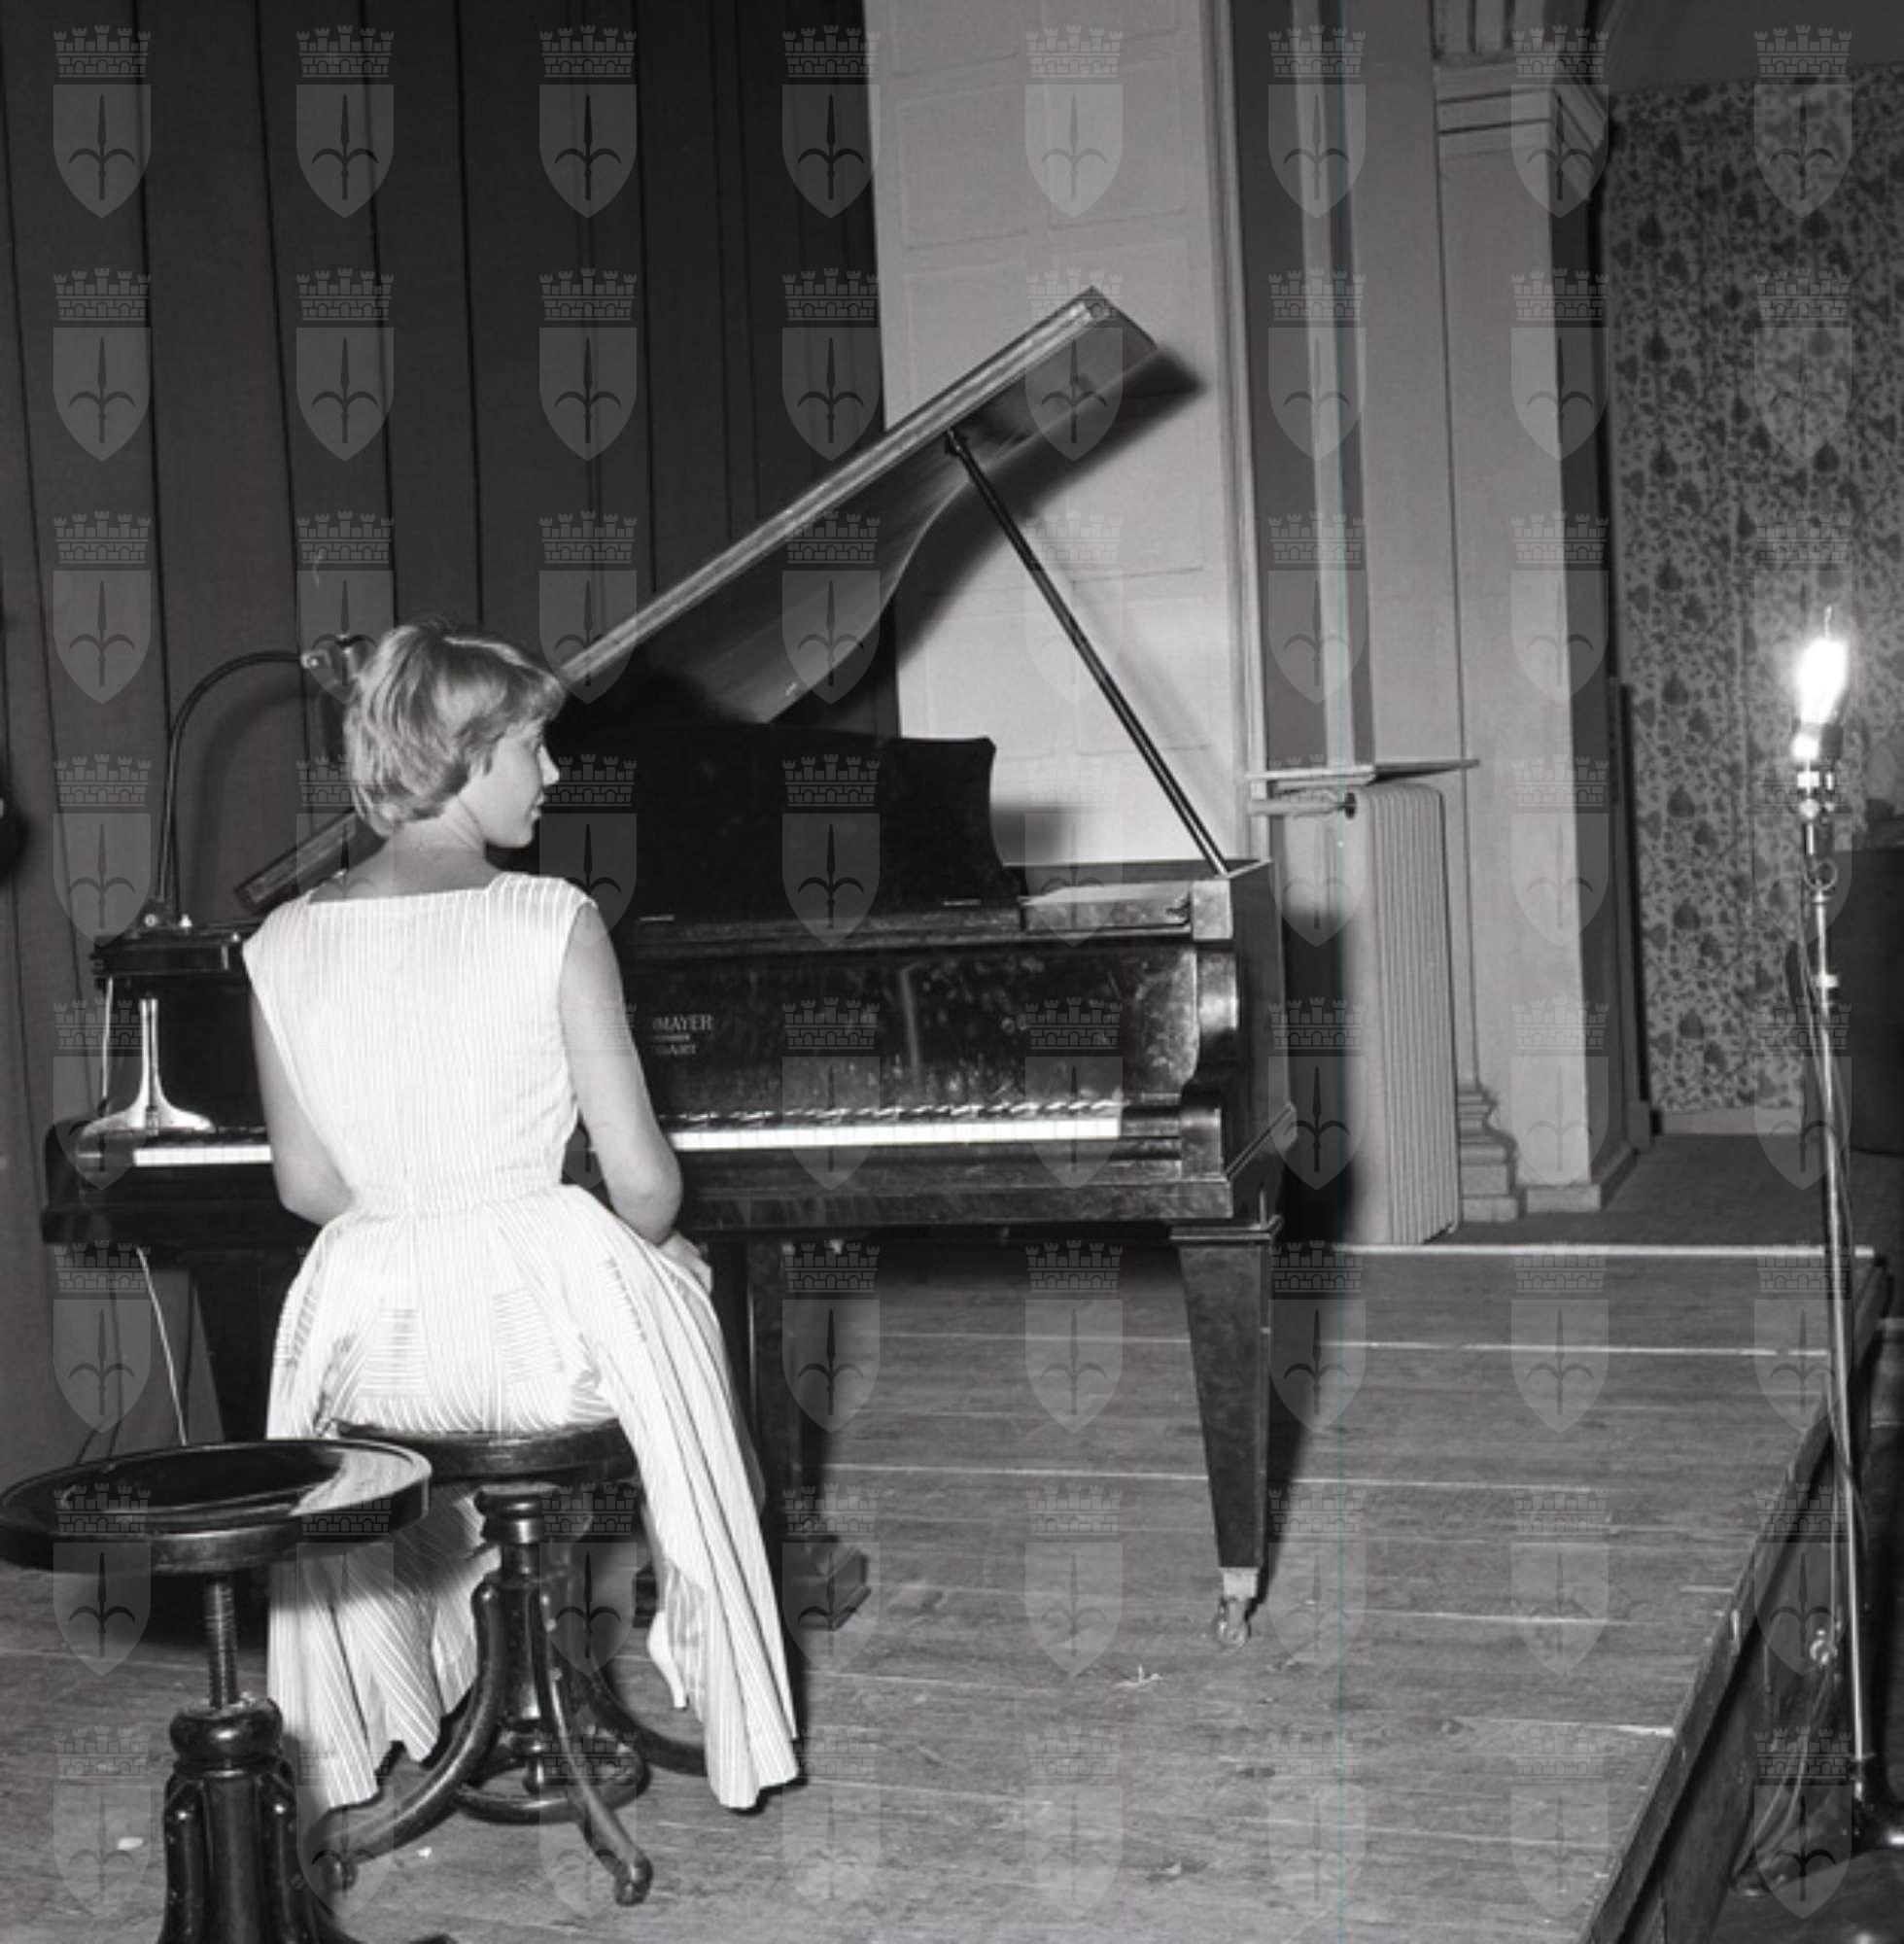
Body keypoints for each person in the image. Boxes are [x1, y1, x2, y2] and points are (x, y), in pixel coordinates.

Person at [243, 618, 798, 1823]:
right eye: (533, 747)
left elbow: (306, 1187)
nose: (551, 772)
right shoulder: (552, 917)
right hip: (538, 1350)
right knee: (684, 1287)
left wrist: (419, 1226)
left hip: (373, 1351)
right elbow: (645, 1183)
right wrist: (644, 1247)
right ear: (464, 754)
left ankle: (440, 1681)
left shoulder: (279, 940)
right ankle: (700, 1658)